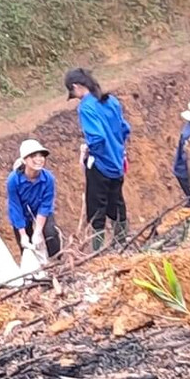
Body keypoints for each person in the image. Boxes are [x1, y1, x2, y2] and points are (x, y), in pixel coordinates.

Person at [64, 67, 131, 251]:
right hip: (117, 163)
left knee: (96, 210)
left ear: (76, 86)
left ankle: (98, 253)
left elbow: (97, 138)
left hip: (100, 165)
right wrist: (118, 149)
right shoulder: (111, 101)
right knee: (117, 203)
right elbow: (125, 128)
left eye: (73, 92)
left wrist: (87, 149)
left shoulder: (86, 107)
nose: (75, 96)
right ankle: (123, 243)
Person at [7, 139, 61, 261]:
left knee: (51, 234)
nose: (39, 159)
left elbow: (45, 205)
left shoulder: (48, 179)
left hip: (40, 210)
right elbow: (15, 207)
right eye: (33, 156)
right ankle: (33, 273)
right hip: (22, 213)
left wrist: (38, 231)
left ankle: (57, 263)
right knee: (26, 245)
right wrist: (23, 234)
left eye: (41, 156)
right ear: (24, 160)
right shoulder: (13, 180)